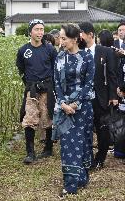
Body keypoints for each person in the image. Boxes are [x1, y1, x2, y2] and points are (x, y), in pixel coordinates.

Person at [52, 23, 95, 196]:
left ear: (75, 39)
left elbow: (89, 83)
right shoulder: (59, 57)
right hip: (65, 109)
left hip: (83, 108)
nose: (61, 42)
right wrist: (63, 104)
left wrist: (76, 103)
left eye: (64, 38)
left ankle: (82, 178)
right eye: (60, 38)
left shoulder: (87, 57)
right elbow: (56, 84)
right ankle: (70, 185)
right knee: (68, 147)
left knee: (83, 144)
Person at [16, 19, 57, 164]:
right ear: (30, 31)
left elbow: (54, 68)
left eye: (42, 29)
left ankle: (48, 148)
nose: (40, 32)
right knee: (29, 119)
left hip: (47, 89)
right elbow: (21, 70)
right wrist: (29, 84)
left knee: (47, 118)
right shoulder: (23, 50)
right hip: (31, 90)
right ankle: (30, 152)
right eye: (37, 29)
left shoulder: (50, 49)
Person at [79, 21, 118, 169]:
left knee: (103, 129)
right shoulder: (78, 52)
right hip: (83, 98)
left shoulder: (105, 51)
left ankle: (100, 157)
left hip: (101, 97)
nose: (79, 37)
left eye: (81, 33)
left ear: (90, 35)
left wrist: (113, 96)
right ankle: (86, 157)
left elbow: (112, 75)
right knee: (85, 129)